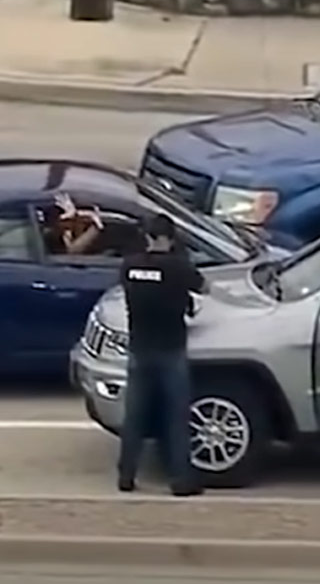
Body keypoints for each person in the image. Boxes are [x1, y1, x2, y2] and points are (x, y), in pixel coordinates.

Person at [116, 212, 208, 496]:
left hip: (139, 349)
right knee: (176, 416)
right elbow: (204, 287)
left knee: (135, 416)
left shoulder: (129, 267)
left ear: (147, 237)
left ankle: (126, 475)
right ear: (170, 238)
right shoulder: (180, 268)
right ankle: (181, 480)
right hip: (171, 349)